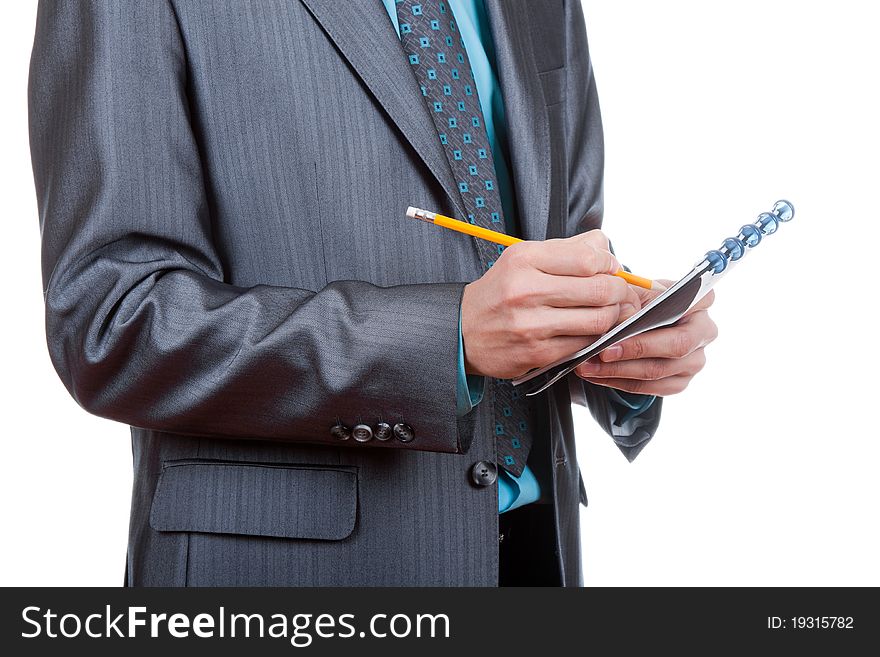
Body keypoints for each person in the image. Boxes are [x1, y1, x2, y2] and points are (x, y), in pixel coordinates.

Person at [28, 0, 717, 586]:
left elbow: (553, 249)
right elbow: (110, 319)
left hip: (535, 553)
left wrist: (619, 339)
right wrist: (443, 337)